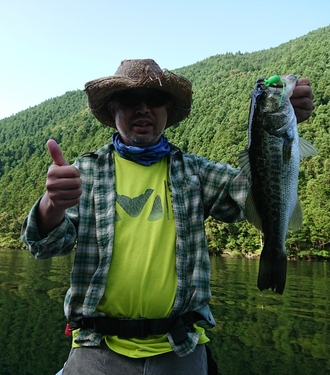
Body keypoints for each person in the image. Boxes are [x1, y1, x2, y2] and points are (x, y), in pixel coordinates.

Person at [21, 59, 314, 375]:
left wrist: (277, 133)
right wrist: (52, 205)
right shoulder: (86, 172)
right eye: (130, 99)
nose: (143, 108)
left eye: (156, 99)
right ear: (112, 109)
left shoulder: (196, 172)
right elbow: (45, 246)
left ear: (167, 109)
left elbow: (250, 194)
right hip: (96, 349)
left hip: (181, 347)